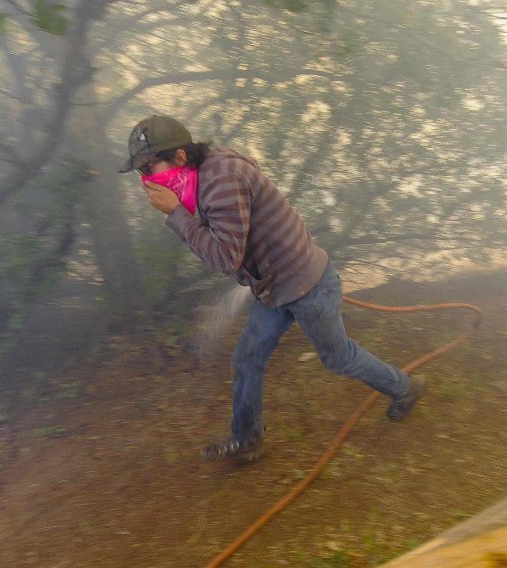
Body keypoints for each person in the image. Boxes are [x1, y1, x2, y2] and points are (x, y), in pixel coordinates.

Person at [119, 115, 426, 463]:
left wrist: (176, 214)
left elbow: (225, 259)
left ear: (179, 158)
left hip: (307, 288)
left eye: (148, 168)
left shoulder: (220, 182)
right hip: (274, 290)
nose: (146, 180)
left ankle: (406, 388)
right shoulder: (202, 174)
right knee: (247, 360)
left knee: (339, 358)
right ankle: (246, 439)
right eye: (140, 172)